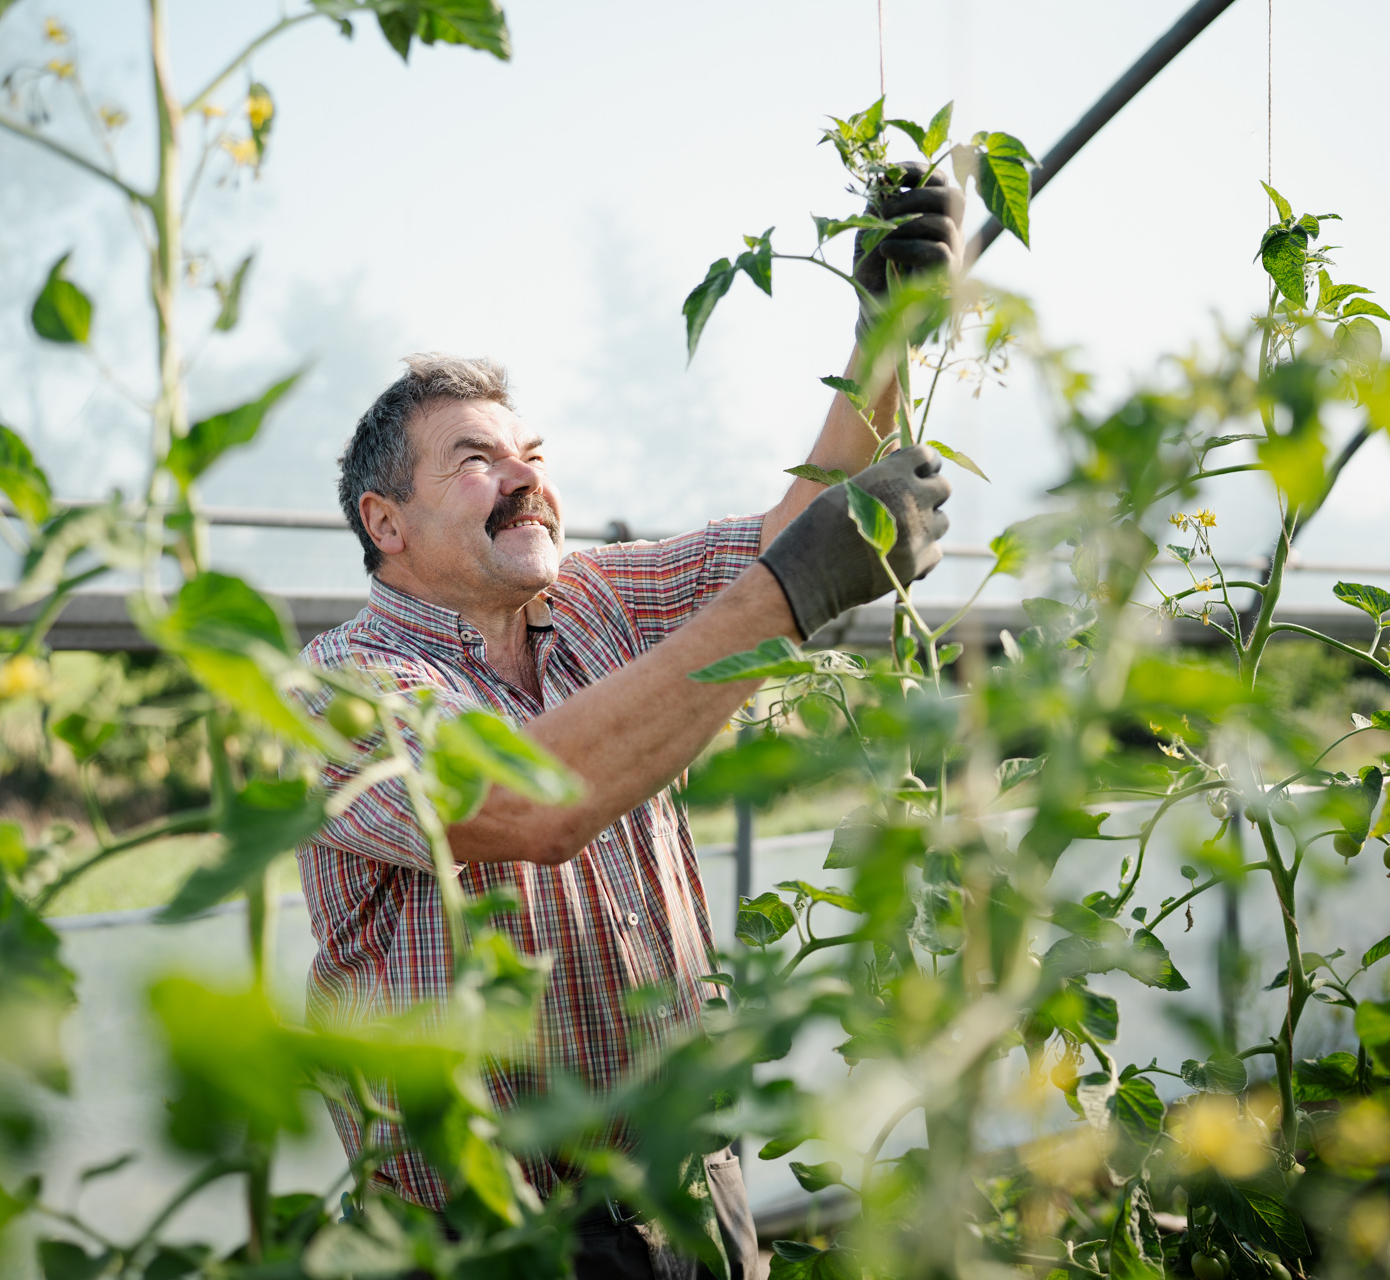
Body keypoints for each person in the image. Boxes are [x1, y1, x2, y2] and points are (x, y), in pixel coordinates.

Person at [297, 166, 964, 1280]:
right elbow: (522, 800)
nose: (528, 480)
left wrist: (884, 335)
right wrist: (787, 596)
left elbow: (797, 529)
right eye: (477, 460)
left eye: (535, 456)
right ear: (386, 521)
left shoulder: (597, 597)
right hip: (490, 1238)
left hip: (692, 1191)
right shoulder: (342, 689)